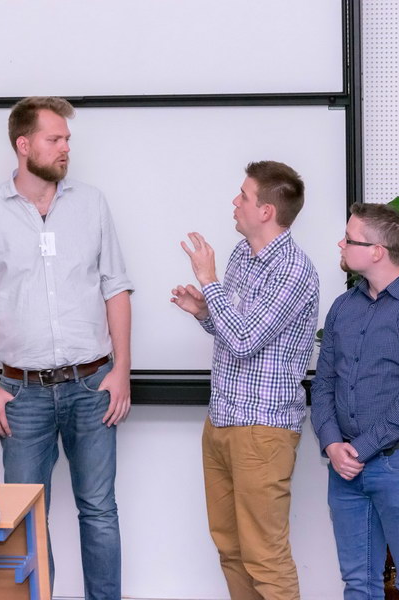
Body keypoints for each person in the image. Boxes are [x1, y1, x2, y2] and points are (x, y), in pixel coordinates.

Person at [0, 96, 133, 600]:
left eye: (67, 140)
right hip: (21, 393)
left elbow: (116, 287)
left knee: (99, 509)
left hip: (93, 386)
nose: (65, 148)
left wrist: (121, 369)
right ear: (23, 144)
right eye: (54, 139)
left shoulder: (92, 203)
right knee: (25, 515)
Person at [171, 161, 319, 600]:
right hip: (222, 420)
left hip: (262, 431)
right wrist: (205, 312)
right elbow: (234, 328)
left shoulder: (293, 269)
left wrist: (208, 281)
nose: (235, 202)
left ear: (266, 211)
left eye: (244, 196)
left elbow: (243, 340)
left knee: (265, 557)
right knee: (230, 549)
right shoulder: (242, 255)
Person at [311, 202, 399, 600]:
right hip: (345, 467)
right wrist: (332, 444)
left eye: (349, 239)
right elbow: (324, 384)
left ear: (377, 251)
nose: (341, 244)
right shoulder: (343, 307)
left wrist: (357, 449)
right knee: (358, 582)